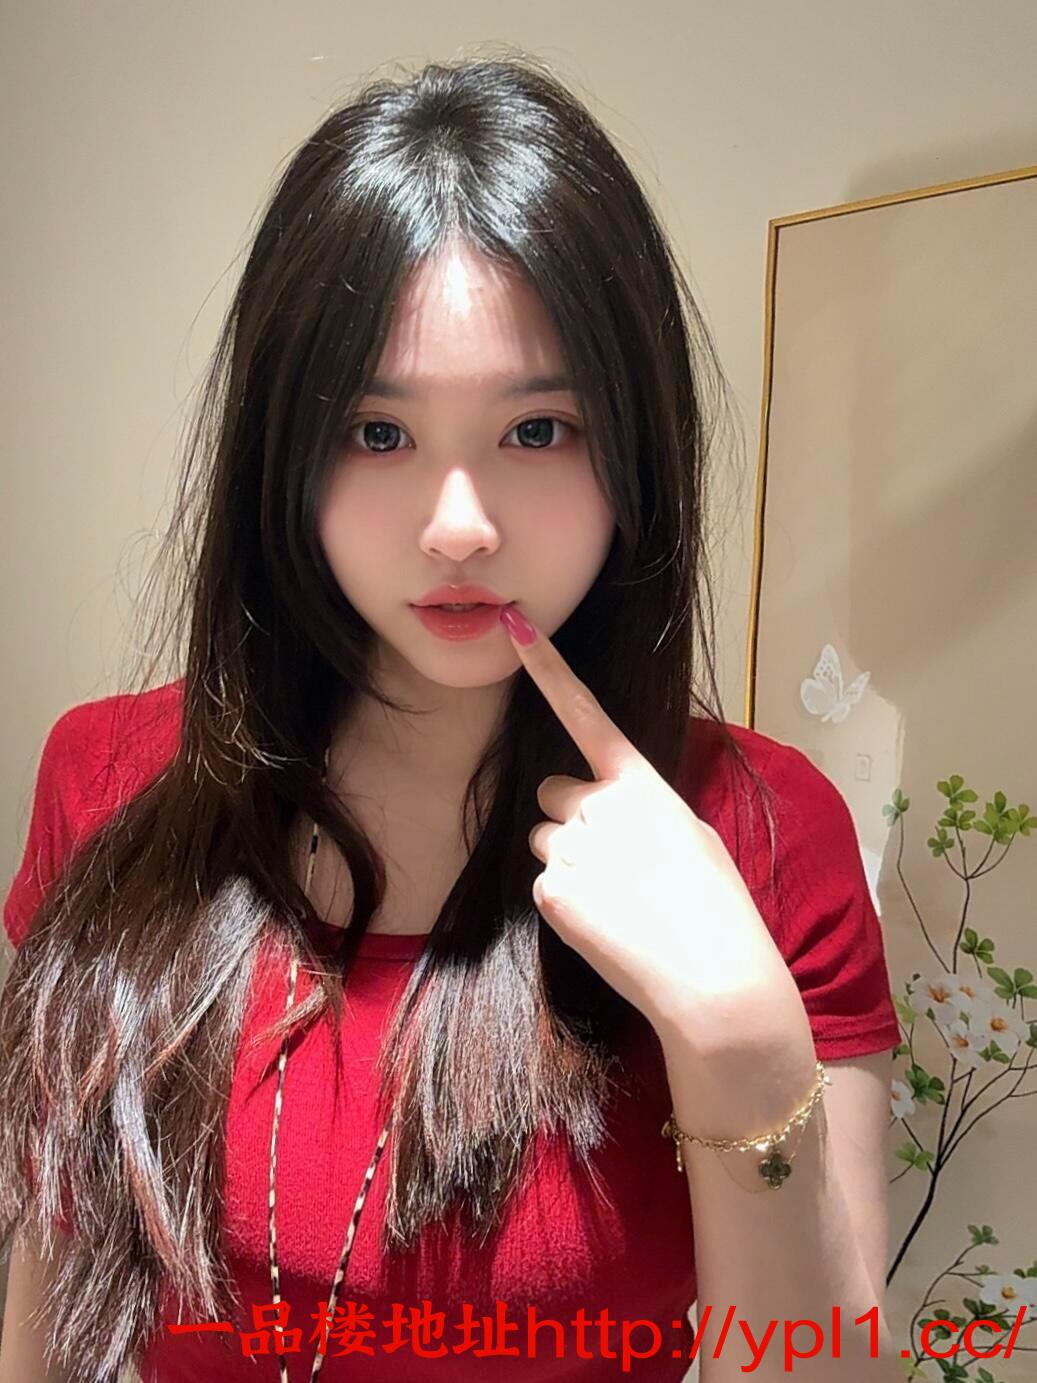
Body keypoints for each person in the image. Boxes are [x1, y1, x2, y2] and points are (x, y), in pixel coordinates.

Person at [0, 53, 902, 1382]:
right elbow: (48, 1300)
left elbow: (816, 1363)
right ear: (281, 459)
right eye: (378, 432)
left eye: (538, 430)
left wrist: (741, 1042)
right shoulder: (112, 779)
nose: (459, 526)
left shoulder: (763, 834)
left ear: (636, 454)